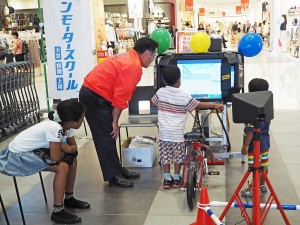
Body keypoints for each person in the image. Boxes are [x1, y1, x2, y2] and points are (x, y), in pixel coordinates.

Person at [79, 37, 158, 188]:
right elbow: (121, 98)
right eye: (154, 56)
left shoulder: (130, 57)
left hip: (98, 93)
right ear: (147, 53)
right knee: (106, 135)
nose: (153, 60)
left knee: (109, 135)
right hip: (94, 95)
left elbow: (120, 94)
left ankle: (116, 169)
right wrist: (115, 122)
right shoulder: (132, 66)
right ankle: (113, 176)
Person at [0, 99, 90, 224]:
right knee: (62, 167)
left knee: (72, 160)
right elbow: (55, 158)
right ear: (72, 121)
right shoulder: (54, 127)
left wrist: (65, 148)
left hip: (34, 150)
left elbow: (73, 149)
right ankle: (58, 211)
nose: (83, 120)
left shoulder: (67, 126)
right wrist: (66, 149)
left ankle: (69, 198)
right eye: (81, 118)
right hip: (17, 157)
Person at [151, 65, 223, 189]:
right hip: (176, 134)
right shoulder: (184, 96)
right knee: (178, 157)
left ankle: (167, 179)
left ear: (163, 81)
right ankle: (177, 178)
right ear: (179, 80)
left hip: (164, 133)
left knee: (165, 156)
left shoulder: (160, 92)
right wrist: (214, 105)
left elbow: (154, 102)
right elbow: (198, 105)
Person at [241, 78, 270, 197]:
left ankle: (255, 188)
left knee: (254, 167)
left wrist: (245, 145)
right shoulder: (267, 106)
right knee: (264, 164)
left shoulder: (252, 110)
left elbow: (250, 130)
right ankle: (262, 185)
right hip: (265, 142)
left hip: (254, 145)